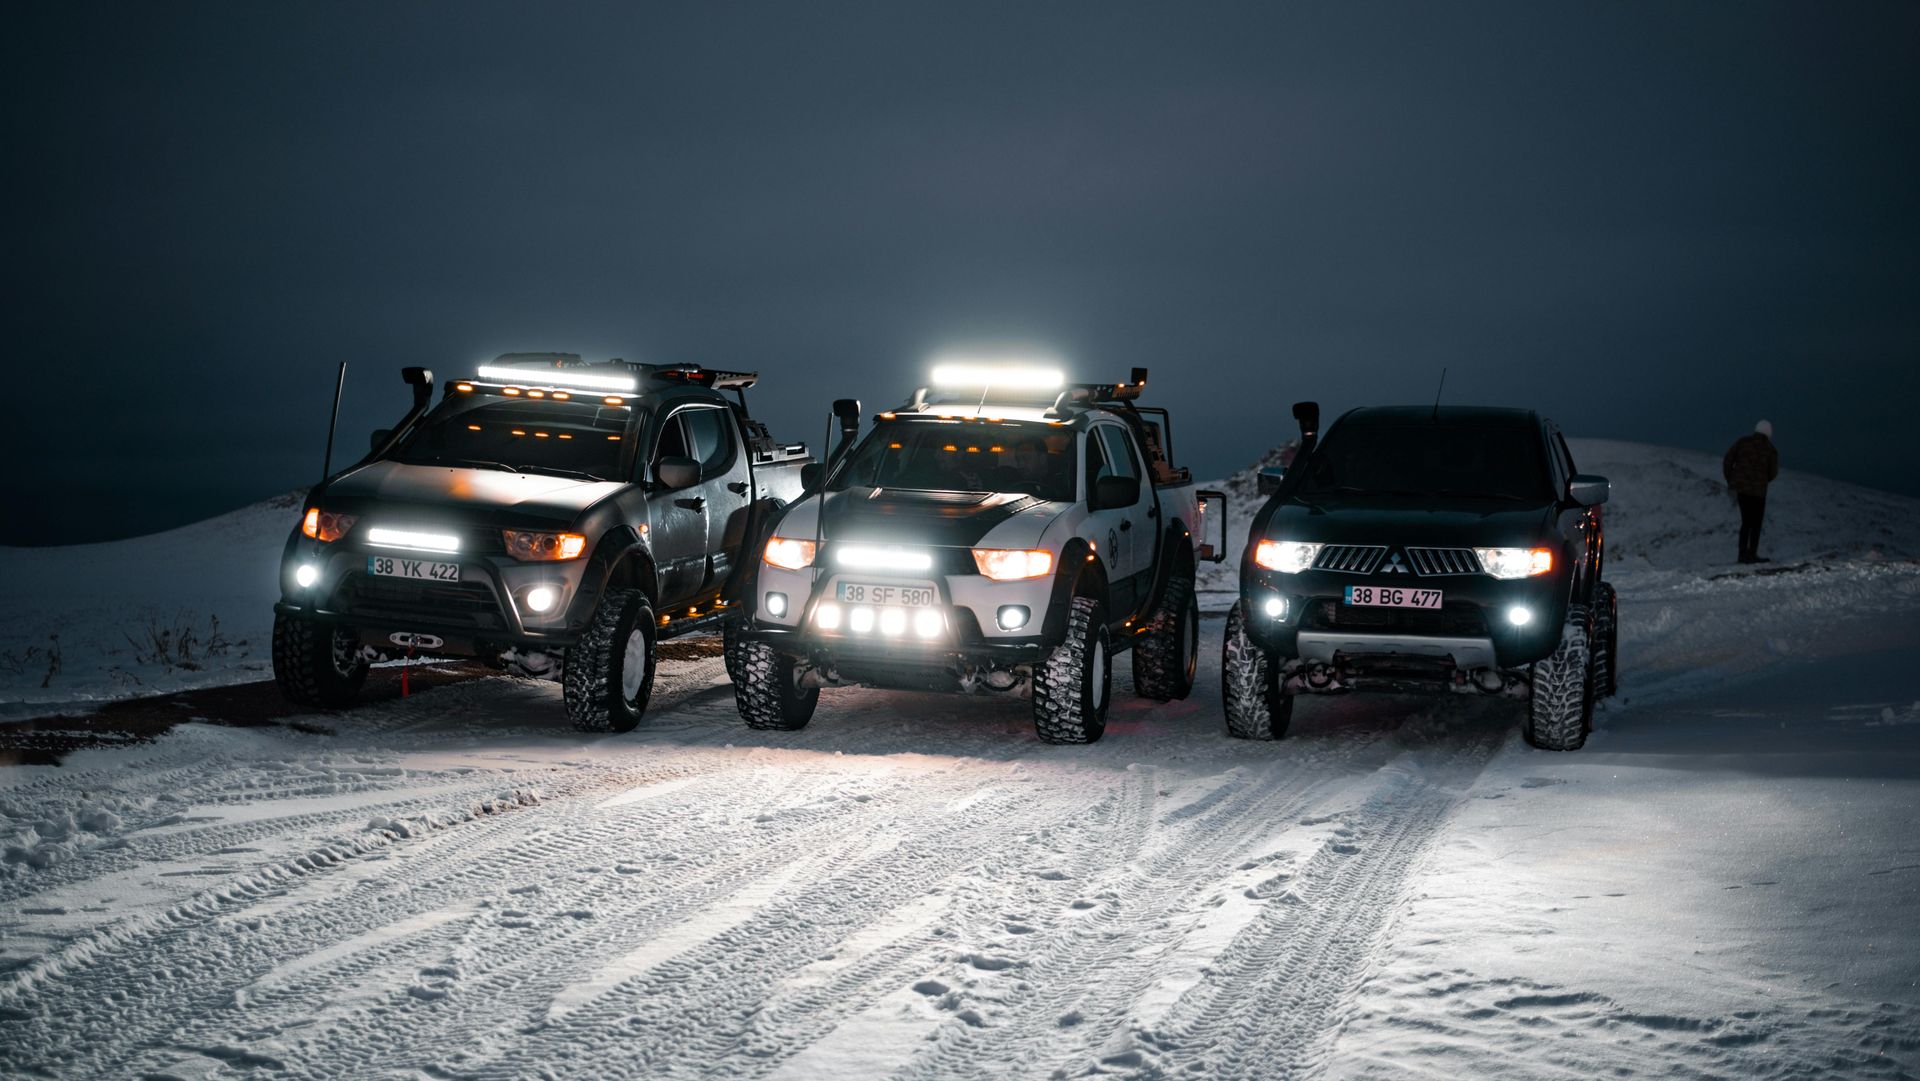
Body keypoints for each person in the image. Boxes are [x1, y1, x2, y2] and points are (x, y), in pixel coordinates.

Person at [1722, 420, 1779, 564]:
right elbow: (1773, 472)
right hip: (1759, 492)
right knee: (1756, 523)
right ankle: (1752, 554)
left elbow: (1728, 460)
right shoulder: (1770, 449)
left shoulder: (1742, 442)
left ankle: (1742, 555)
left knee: (1746, 522)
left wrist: (1731, 480)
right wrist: (1763, 480)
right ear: (1768, 433)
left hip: (1741, 489)